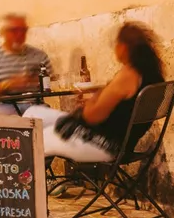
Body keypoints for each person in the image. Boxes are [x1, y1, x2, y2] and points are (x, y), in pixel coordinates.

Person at [25, 22, 165, 162]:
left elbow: (92, 116)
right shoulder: (151, 75)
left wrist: (88, 103)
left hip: (104, 144)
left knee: (38, 139)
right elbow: (123, 102)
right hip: (120, 143)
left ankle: (22, 179)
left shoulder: (127, 75)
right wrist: (99, 91)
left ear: (123, 47)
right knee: (34, 113)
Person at [0, 14, 54, 114]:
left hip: (35, 105)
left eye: (23, 30)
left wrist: (32, 81)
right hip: (1, 106)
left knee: (60, 123)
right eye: (14, 30)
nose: (19, 34)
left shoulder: (39, 56)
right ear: (3, 32)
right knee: (14, 124)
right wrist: (8, 85)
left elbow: (49, 82)